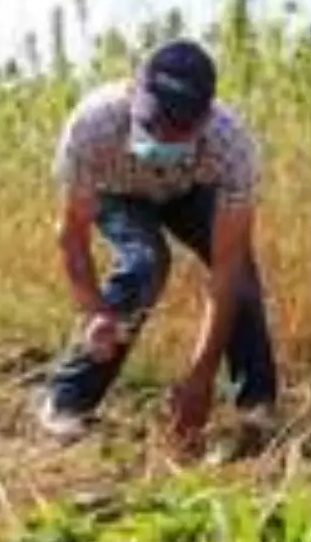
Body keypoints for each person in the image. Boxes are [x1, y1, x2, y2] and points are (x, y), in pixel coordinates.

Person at [36, 38, 278, 461]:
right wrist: (95, 310)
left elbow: (226, 270)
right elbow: (72, 235)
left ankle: (254, 409)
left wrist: (200, 377)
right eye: (154, 123)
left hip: (188, 193)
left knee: (243, 278)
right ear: (134, 94)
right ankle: (68, 400)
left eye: (180, 130)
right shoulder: (93, 125)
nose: (163, 138)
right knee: (146, 264)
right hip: (121, 194)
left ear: (206, 115)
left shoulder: (232, 147)